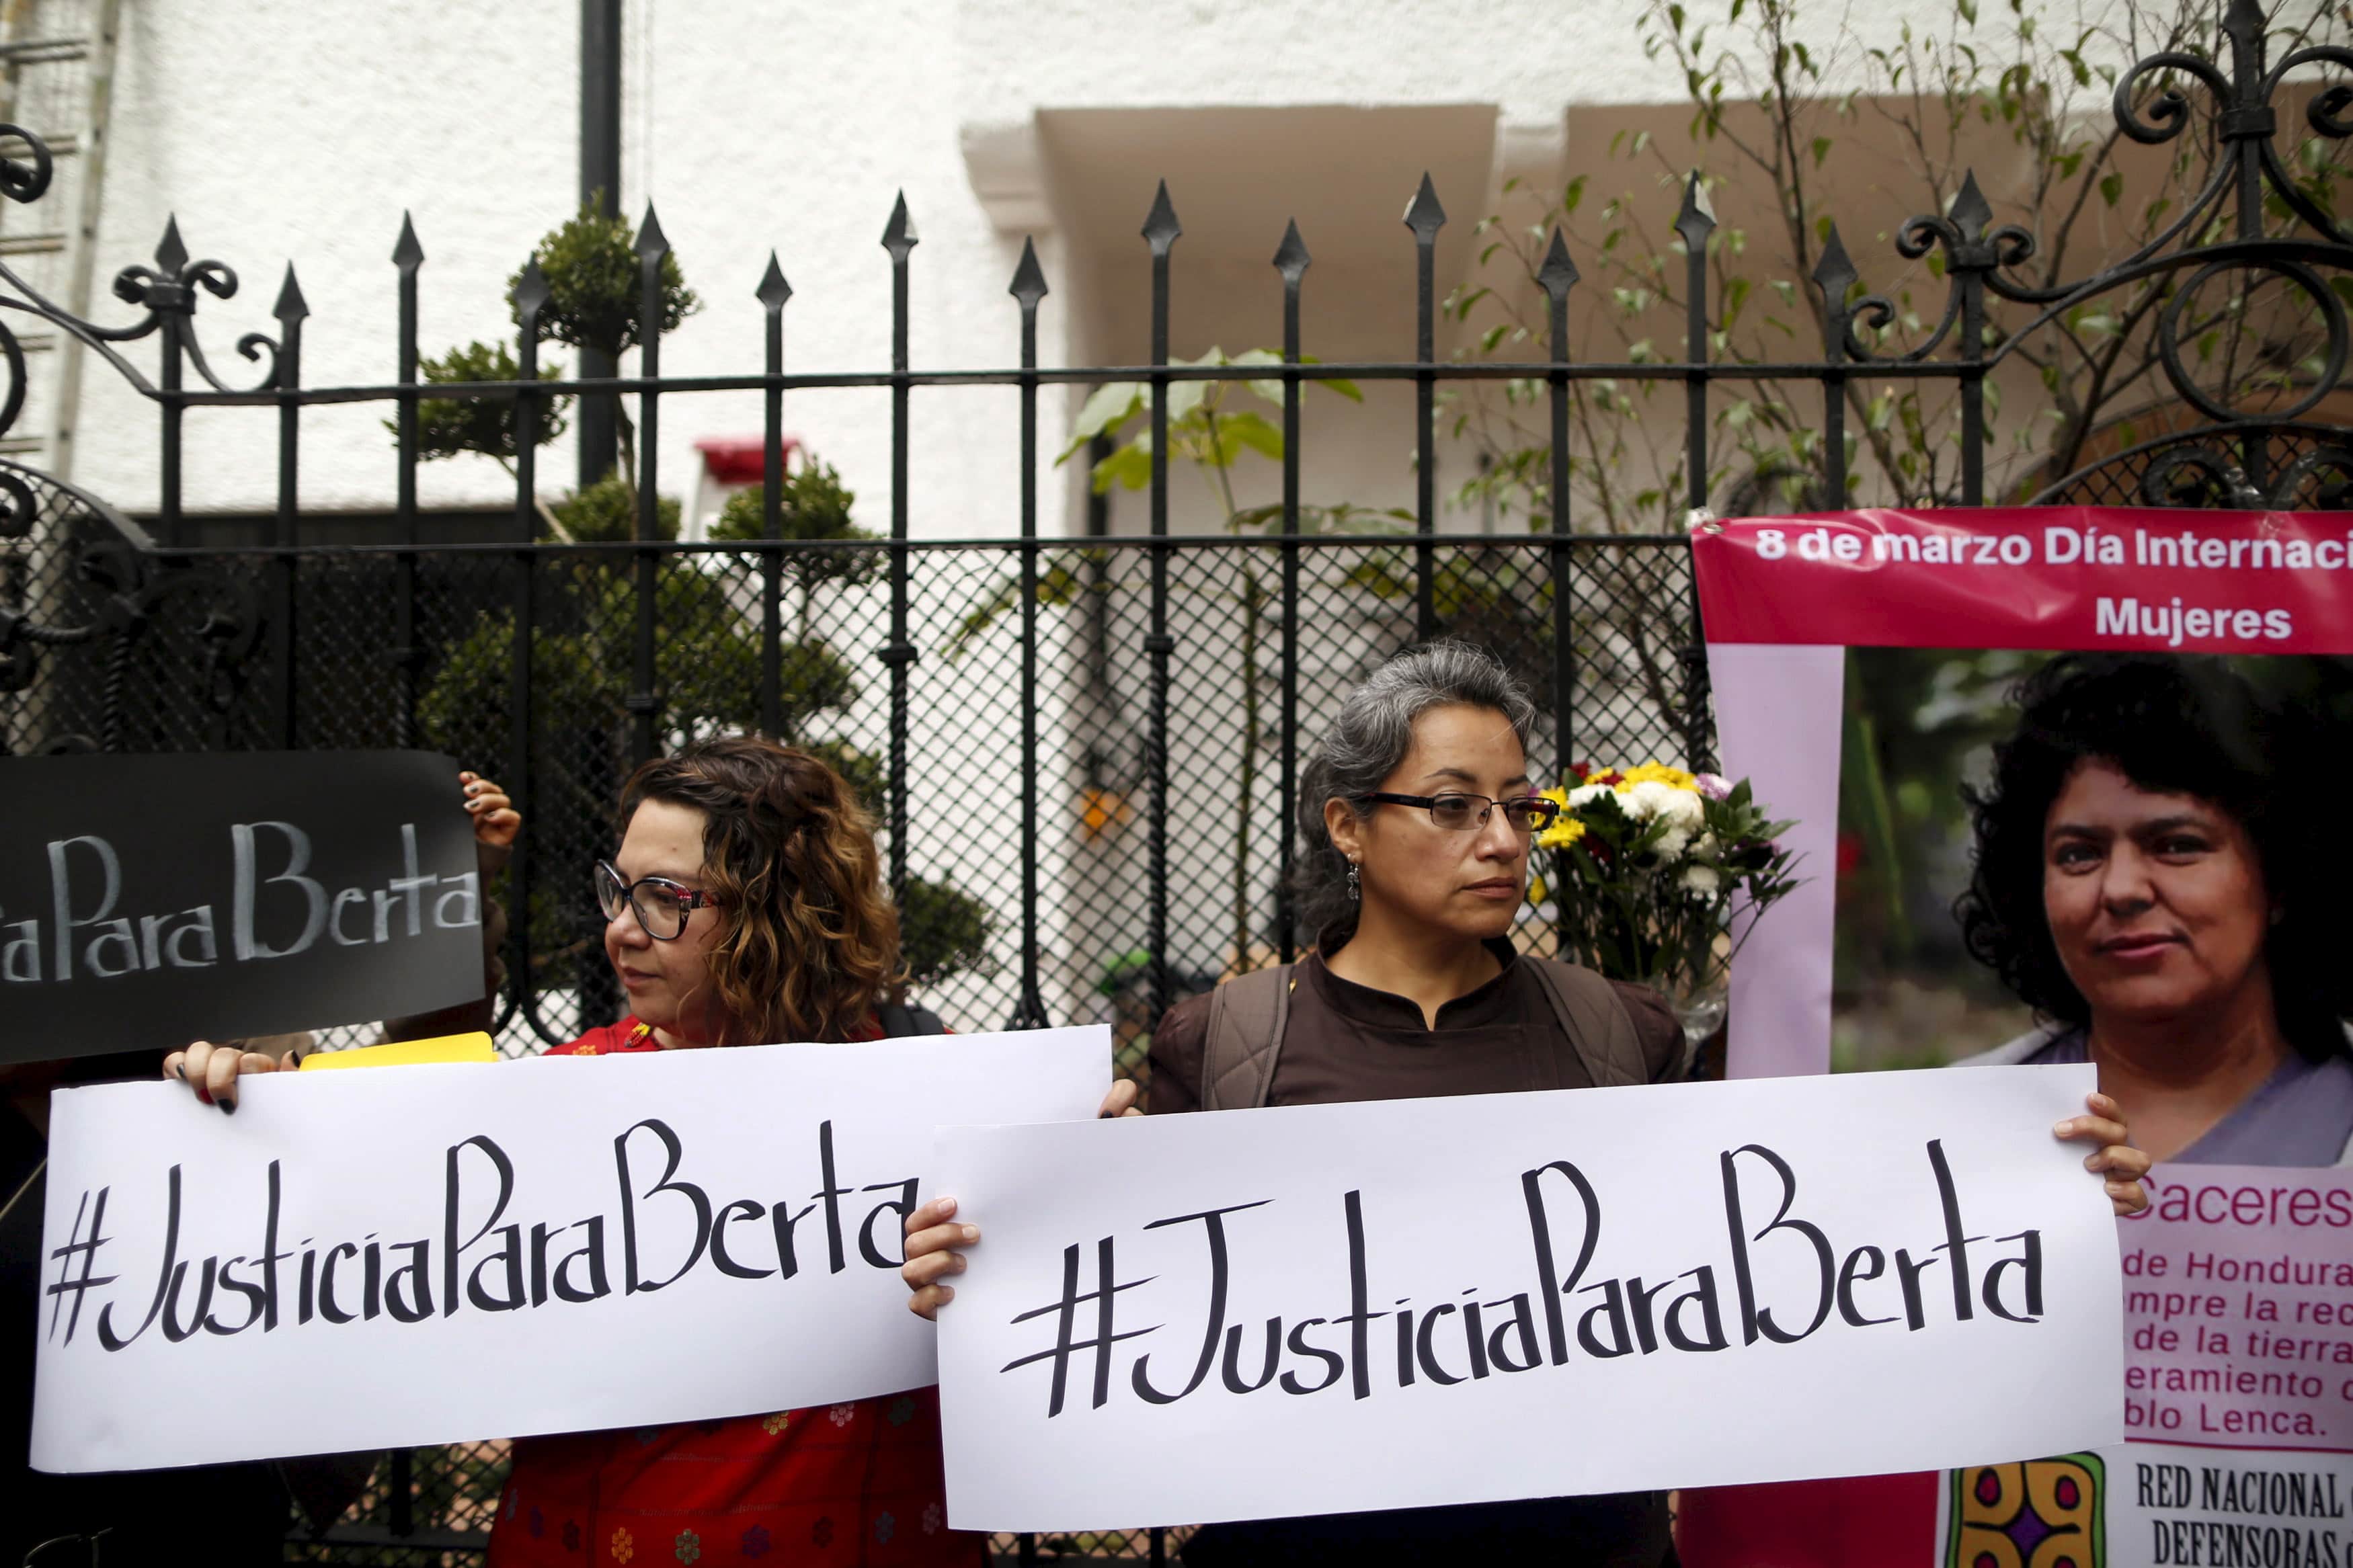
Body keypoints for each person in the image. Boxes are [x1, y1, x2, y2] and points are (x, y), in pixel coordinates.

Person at [908, 641, 2139, 1567]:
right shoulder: (1225, 1043)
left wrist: (2035, 1187)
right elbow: (1105, 1306)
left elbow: (1799, 1247)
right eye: (1452, 805)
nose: (1500, 838)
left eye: (1517, 805)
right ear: (1349, 824)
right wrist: (985, 1248)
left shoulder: (1622, 1033)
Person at [174, 739, 979, 1567]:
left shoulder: (940, 1085)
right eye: (618, 892)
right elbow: (365, 1196)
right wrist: (245, 1112)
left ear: (783, 906)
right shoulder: (562, 1093)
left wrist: (1075, 1188)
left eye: (665, 898)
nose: (620, 931)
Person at [1679, 652, 2319, 1567]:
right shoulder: (1944, 1128)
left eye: (2177, 844)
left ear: (2281, 874)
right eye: (2078, 853)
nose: (2123, 888)